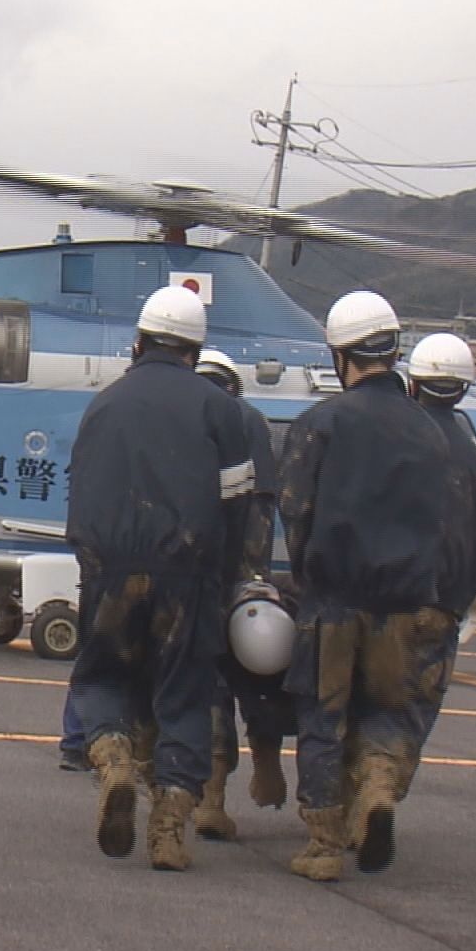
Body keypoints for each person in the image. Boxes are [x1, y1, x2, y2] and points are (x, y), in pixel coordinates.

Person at [66, 286, 259, 871]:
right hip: (188, 576)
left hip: (110, 571)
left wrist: (93, 564)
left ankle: (114, 761)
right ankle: (170, 831)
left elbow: (79, 495)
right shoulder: (221, 410)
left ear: (139, 342)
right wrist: (223, 578)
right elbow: (239, 506)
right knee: (184, 696)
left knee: (101, 678)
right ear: (194, 351)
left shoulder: (104, 404)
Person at [277, 290, 454, 881]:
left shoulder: (320, 424)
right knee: (386, 712)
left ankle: (323, 845)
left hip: (333, 601)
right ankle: (377, 790)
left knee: (322, 719)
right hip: (406, 605)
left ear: (340, 356)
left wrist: (308, 577)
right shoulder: (431, 431)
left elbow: (296, 511)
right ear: (394, 351)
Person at [191, 349, 294, 840]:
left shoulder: (182, 414)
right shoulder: (251, 421)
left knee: (208, 683)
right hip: (244, 574)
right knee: (259, 671)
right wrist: (255, 576)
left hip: (193, 573)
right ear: (233, 383)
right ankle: (267, 759)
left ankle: (209, 799)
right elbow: (263, 506)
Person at [404, 334, 476, 769]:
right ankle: (383, 788)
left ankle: (343, 794)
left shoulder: (391, 441)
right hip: (440, 611)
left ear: (413, 383)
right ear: (463, 389)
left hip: (377, 604)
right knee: (410, 717)